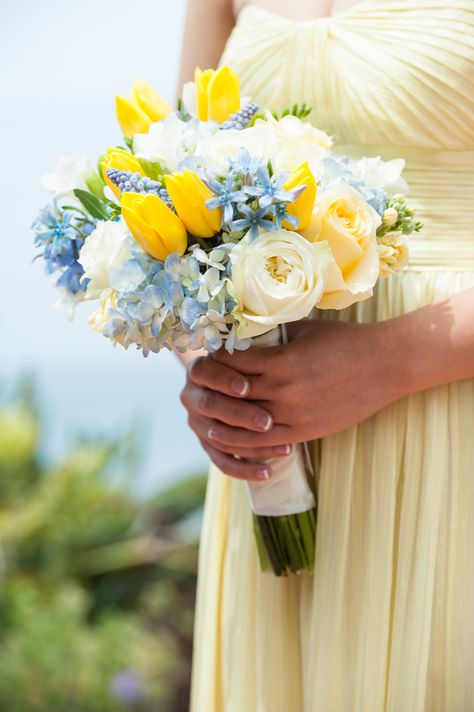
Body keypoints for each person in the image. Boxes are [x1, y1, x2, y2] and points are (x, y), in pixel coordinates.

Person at [178, 1, 474, 709]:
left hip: (454, 426)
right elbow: (180, 205)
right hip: (278, 453)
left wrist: (388, 361)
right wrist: (211, 373)